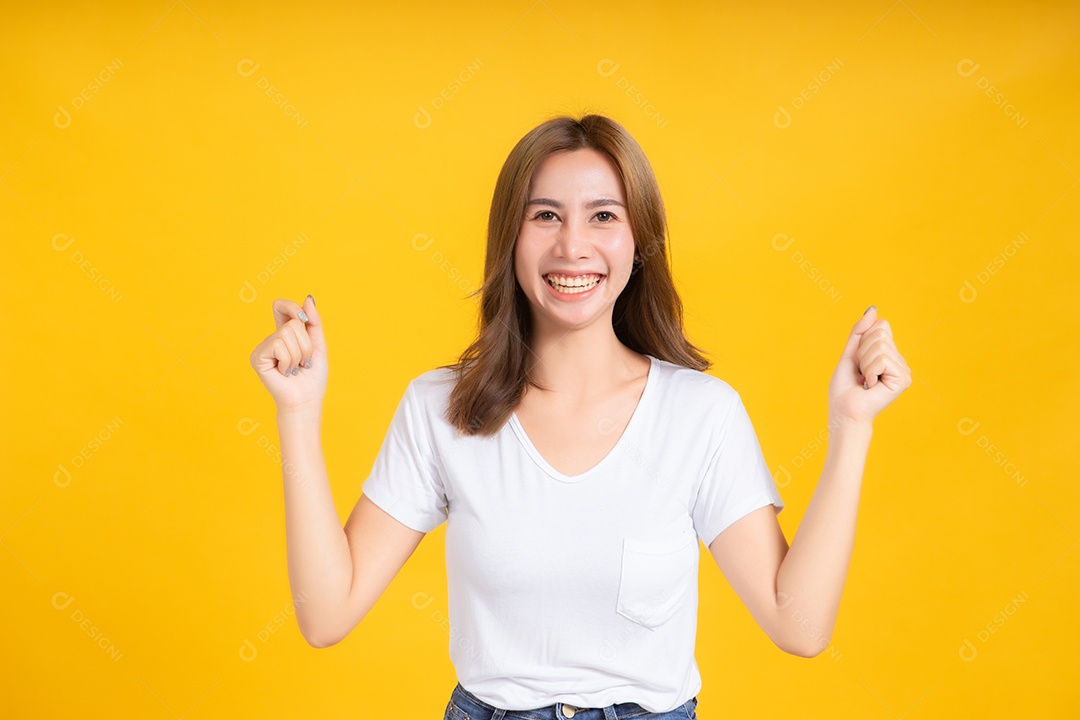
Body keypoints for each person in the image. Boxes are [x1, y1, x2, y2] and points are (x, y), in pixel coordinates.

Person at [249, 114, 912, 719]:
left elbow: (798, 626)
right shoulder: (442, 408)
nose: (572, 245)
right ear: (510, 236)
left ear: (638, 240)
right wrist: (299, 414)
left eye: (603, 217)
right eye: (544, 216)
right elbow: (325, 615)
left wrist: (852, 426)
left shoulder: (700, 415)